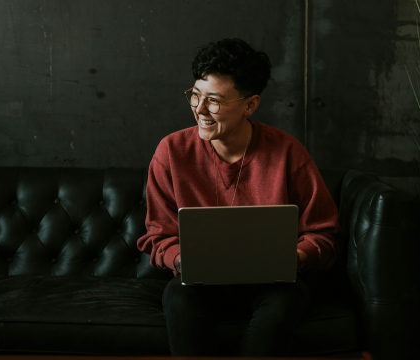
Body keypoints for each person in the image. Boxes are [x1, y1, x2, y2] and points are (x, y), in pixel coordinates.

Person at [137, 38, 341, 356]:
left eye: (214, 101)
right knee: (178, 297)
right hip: (199, 286)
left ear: (250, 105)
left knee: (287, 299)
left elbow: (323, 233)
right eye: (195, 96)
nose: (200, 110)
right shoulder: (172, 152)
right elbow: (158, 235)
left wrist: (296, 258)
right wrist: (181, 259)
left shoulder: (287, 152)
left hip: (273, 285)